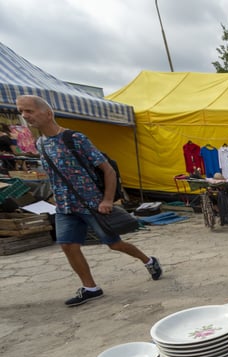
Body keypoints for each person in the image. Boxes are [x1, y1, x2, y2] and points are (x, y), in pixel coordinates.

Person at [15, 95, 162, 307]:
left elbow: (108, 170)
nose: (25, 116)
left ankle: (148, 260)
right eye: (21, 111)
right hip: (65, 207)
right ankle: (90, 287)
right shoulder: (41, 144)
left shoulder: (74, 138)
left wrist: (108, 200)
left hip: (91, 204)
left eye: (29, 111)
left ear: (48, 113)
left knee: (114, 244)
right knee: (67, 245)